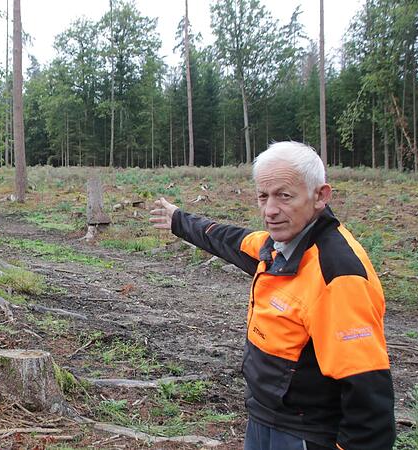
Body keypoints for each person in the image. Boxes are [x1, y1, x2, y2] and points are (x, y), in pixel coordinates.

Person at [149, 141, 395, 449]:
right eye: (263, 196)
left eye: (284, 196)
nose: (270, 210)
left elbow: (369, 398)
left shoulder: (338, 276)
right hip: (264, 418)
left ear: (320, 196)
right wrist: (178, 220)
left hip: (305, 434)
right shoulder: (277, 247)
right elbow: (227, 238)